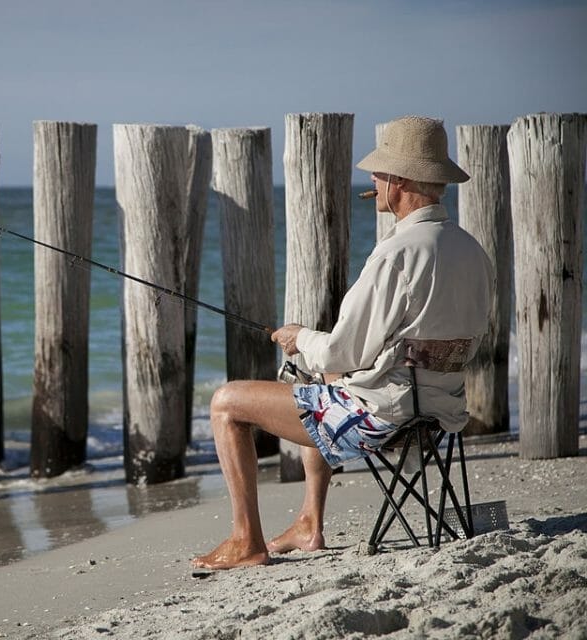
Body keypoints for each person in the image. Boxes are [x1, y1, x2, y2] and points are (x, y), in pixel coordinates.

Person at [192, 116, 494, 570]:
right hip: (440, 409)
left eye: (380, 171)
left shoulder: (398, 253)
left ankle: (245, 541)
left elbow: (341, 352)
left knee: (226, 401)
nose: (372, 179)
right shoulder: (472, 250)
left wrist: (297, 337)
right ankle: (309, 523)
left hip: (382, 414)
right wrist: (319, 355)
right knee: (312, 376)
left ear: (401, 180)